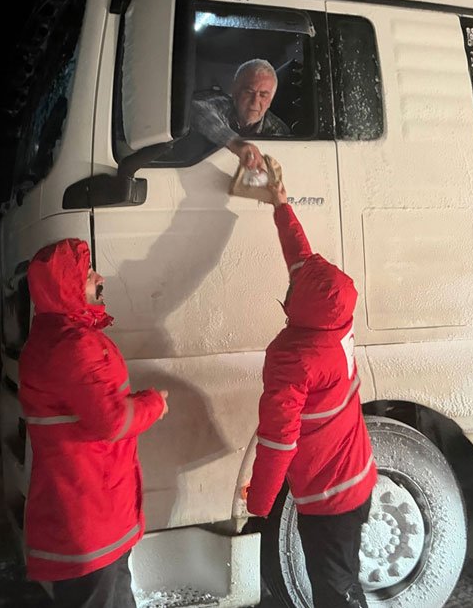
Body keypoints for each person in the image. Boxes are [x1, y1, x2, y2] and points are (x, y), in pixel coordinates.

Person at [244, 177, 377, 608]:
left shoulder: (294, 360)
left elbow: (278, 441)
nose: (292, 277)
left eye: (295, 283)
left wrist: (259, 505)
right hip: (359, 478)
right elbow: (300, 257)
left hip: (329, 500)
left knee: (335, 594)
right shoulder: (336, 320)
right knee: (346, 579)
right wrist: (280, 204)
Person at [19, 238, 169, 607]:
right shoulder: (72, 345)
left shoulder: (55, 338)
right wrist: (154, 404)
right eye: (88, 274)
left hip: (92, 514)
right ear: (66, 286)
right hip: (90, 516)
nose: (99, 278)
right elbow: (112, 421)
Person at [192, 58, 291, 173]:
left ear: (270, 101)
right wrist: (234, 142)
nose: (255, 102)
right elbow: (195, 109)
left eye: (263, 95)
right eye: (249, 92)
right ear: (234, 91)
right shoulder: (222, 105)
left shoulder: (278, 131)